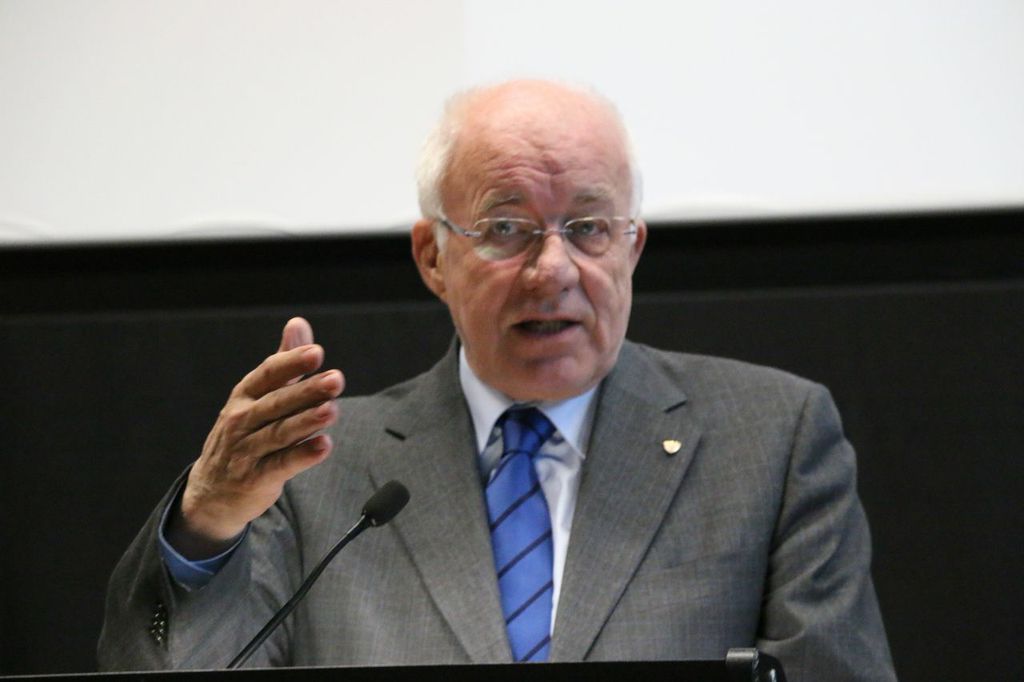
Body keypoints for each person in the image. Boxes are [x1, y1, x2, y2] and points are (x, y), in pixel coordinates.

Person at [98, 80, 896, 681]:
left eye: (588, 228)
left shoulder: (771, 440)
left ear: (632, 247)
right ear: (432, 257)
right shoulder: (316, 470)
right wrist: (209, 520)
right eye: (507, 229)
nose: (553, 270)